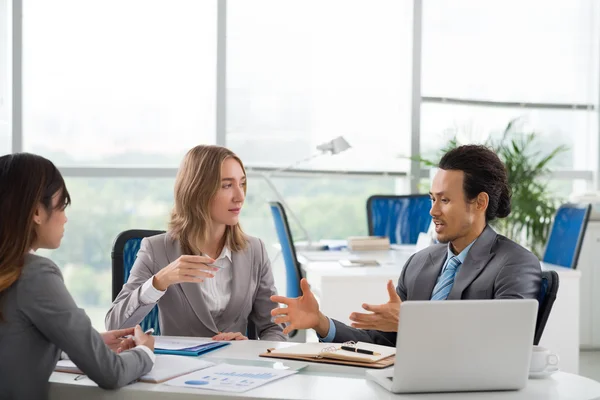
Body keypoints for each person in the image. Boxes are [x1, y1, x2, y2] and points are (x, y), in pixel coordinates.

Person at [271, 145, 542, 346]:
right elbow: (381, 341)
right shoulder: (421, 263)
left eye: (445, 200)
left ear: (480, 203)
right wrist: (321, 322)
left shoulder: (514, 264)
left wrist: (413, 323)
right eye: (432, 199)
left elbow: (506, 340)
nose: (433, 211)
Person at [0, 153, 156, 400]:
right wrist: (146, 353)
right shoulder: (35, 274)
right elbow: (110, 372)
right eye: (61, 206)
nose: (65, 217)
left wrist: (82, 344)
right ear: (37, 212)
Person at [106, 145, 286, 341]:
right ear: (198, 190)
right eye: (227, 185)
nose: (240, 196)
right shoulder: (156, 249)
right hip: (181, 368)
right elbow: (115, 325)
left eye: (241, 184)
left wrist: (251, 350)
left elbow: (273, 327)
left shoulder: (255, 250)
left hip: (236, 368)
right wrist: (159, 282)